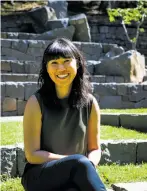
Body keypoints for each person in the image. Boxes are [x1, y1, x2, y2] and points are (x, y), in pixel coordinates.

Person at [21, 38, 106, 191]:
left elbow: (94, 148)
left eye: (67, 61)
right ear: (46, 68)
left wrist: (89, 165)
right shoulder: (36, 102)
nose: (61, 68)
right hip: (39, 174)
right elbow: (32, 155)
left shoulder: (90, 103)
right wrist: (77, 162)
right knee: (80, 164)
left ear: (77, 64)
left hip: (77, 172)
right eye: (54, 63)